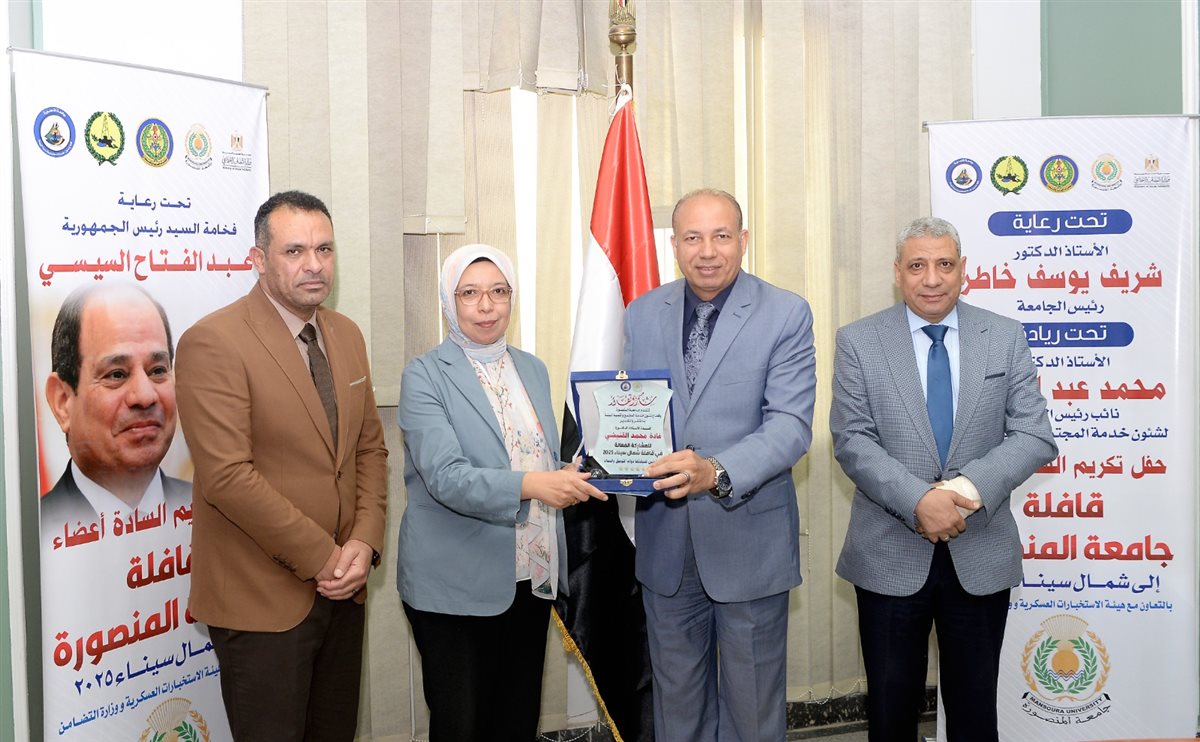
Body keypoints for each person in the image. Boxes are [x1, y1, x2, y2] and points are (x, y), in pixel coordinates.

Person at [830, 216, 1057, 741]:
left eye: (944, 264)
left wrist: (959, 493)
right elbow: (852, 439)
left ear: (963, 270)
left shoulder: (1004, 337)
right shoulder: (859, 341)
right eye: (917, 265)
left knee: (975, 715)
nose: (931, 278)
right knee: (890, 715)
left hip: (980, 552)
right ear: (897, 272)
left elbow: (1034, 434)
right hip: (887, 556)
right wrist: (918, 501)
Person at [175, 190, 388, 741]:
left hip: (344, 592)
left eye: (324, 249)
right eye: (294, 251)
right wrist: (324, 558)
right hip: (261, 600)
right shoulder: (213, 342)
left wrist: (364, 541)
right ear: (258, 259)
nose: (314, 265)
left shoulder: (346, 334)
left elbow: (368, 449)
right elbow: (227, 477)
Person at [622, 188, 817, 741]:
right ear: (674, 245)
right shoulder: (642, 313)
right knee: (677, 710)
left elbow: (790, 426)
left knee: (752, 713)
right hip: (665, 547)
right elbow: (633, 411)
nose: (707, 251)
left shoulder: (785, 313)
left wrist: (716, 472)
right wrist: (609, 452)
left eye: (721, 236)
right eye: (693, 237)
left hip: (747, 543)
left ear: (743, 240)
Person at [397, 243, 607, 742]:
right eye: (469, 293)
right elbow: (447, 477)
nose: (486, 306)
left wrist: (571, 473)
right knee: (462, 726)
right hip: (454, 585)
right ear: (448, 301)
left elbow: (532, 455)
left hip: (529, 576)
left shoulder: (532, 368)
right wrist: (537, 485)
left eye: (498, 291)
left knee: (516, 720)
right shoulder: (424, 375)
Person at [42, 282, 190, 533]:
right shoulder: (36, 535)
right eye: (117, 374)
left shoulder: (214, 513)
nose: (145, 396)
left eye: (157, 371)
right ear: (63, 402)